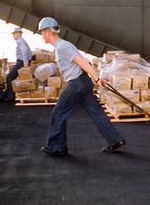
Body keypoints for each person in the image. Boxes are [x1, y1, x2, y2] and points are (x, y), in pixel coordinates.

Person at [38, 17, 125, 156]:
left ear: (48, 32)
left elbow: (82, 62)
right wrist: (94, 78)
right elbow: (85, 62)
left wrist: (96, 77)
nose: (41, 35)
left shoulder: (62, 47)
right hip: (83, 82)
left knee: (58, 113)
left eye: (42, 32)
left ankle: (57, 147)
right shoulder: (64, 45)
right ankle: (115, 140)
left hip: (76, 84)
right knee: (96, 112)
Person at [0, 27, 32, 101]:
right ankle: (5, 95)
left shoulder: (20, 41)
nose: (13, 35)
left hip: (21, 62)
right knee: (11, 77)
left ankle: (10, 97)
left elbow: (24, 51)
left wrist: (26, 64)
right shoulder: (21, 41)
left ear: (19, 34)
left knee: (9, 77)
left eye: (14, 34)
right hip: (20, 61)